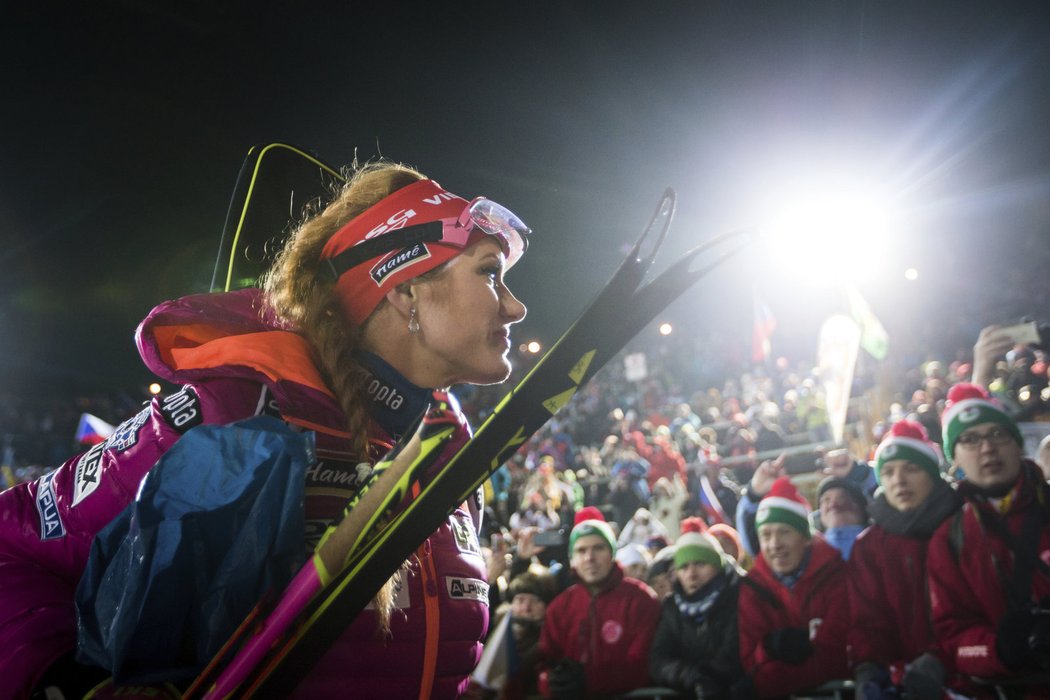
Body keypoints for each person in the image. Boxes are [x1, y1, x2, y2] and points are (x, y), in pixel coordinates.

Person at [0, 163, 529, 699]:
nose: (516, 306)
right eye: (489, 273)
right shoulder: (241, 409)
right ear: (403, 288)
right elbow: (11, 545)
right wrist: (67, 682)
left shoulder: (449, 449)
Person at [926, 383, 1050, 697]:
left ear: (1017, 444)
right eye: (970, 439)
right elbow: (953, 637)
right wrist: (1000, 650)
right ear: (954, 459)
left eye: (998, 434)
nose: (987, 448)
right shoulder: (948, 539)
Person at [849, 420, 961, 700]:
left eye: (910, 468)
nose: (898, 480)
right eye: (887, 472)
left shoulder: (964, 526)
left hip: (971, 675)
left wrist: (942, 660)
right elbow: (867, 621)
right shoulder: (868, 546)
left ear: (932, 474)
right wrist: (868, 668)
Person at [737, 477, 850, 698]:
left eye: (784, 532)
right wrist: (769, 648)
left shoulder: (837, 576)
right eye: (766, 535)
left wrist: (769, 680)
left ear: (805, 538)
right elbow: (749, 657)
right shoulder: (752, 587)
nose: (775, 544)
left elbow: (837, 656)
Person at [539, 516, 661, 698]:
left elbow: (643, 665)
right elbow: (544, 661)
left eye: (598, 548)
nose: (590, 558)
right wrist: (551, 683)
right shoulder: (560, 607)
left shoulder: (641, 599)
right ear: (572, 559)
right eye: (581, 550)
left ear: (612, 554)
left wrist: (588, 681)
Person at [649, 532, 745, 698]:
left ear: (717, 566)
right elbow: (659, 661)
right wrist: (690, 676)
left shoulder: (738, 599)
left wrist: (710, 677)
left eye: (700, 564)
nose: (691, 574)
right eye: (684, 567)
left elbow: (735, 653)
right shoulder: (672, 608)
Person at [812, 475, 868, 561]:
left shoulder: (880, 545)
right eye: (826, 499)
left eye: (842, 497)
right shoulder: (808, 552)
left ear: (860, 507)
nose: (833, 504)